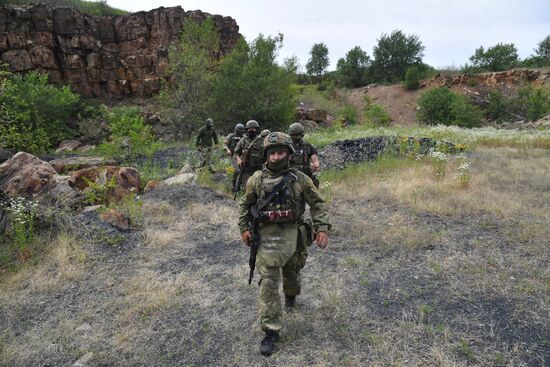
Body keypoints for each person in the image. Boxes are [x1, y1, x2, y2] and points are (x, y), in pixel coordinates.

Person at [238, 132, 331, 356]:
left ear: (288, 155)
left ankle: (291, 295)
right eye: (273, 153)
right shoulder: (257, 179)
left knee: (292, 272)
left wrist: (321, 228)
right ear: (266, 155)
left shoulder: (300, 179)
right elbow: (245, 204)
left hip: (294, 235)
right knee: (268, 283)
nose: (276, 157)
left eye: (281, 152)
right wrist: (243, 227)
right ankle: (271, 331)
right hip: (266, 237)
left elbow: (317, 203)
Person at [233, 120, 264, 192]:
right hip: (246, 169)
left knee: (259, 189)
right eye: (249, 129)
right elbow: (235, 153)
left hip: (258, 169)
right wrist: (238, 159)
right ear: (247, 130)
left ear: (256, 129)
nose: (251, 130)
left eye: (253, 128)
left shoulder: (262, 141)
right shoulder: (243, 141)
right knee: (246, 190)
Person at [287, 122, 320, 188]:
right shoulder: (287, 147)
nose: (297, 137)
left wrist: (315, 164)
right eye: (295, 135)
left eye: (299, 135)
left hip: (306, 175)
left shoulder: (307, 146)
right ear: (291, 135)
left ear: (302, 134)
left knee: (315, 183)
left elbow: (314, 158)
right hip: (291, 175)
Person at [224, 123, 245, 191]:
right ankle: (234, 186)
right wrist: (228, 150)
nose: (240, 132)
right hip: (233, 156)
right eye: (239, 131)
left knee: (243, 171)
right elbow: (225, 145)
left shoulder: (244, 137)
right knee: (237, 171)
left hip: (242, 157)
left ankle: (240, 186)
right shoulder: (231, 136)